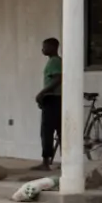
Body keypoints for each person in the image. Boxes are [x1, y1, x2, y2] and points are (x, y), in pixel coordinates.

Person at [37, 37, 62, 170]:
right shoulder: (54, 61)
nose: (43, 49)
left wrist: (42, 93)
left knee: (47, 131)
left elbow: (58, 79)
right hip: (54, 98)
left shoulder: (55, 61)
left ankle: (46, 162)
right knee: (58, 130)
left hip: (53, 98)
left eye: (45, 46)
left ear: (53, 47)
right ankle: (61, 161)